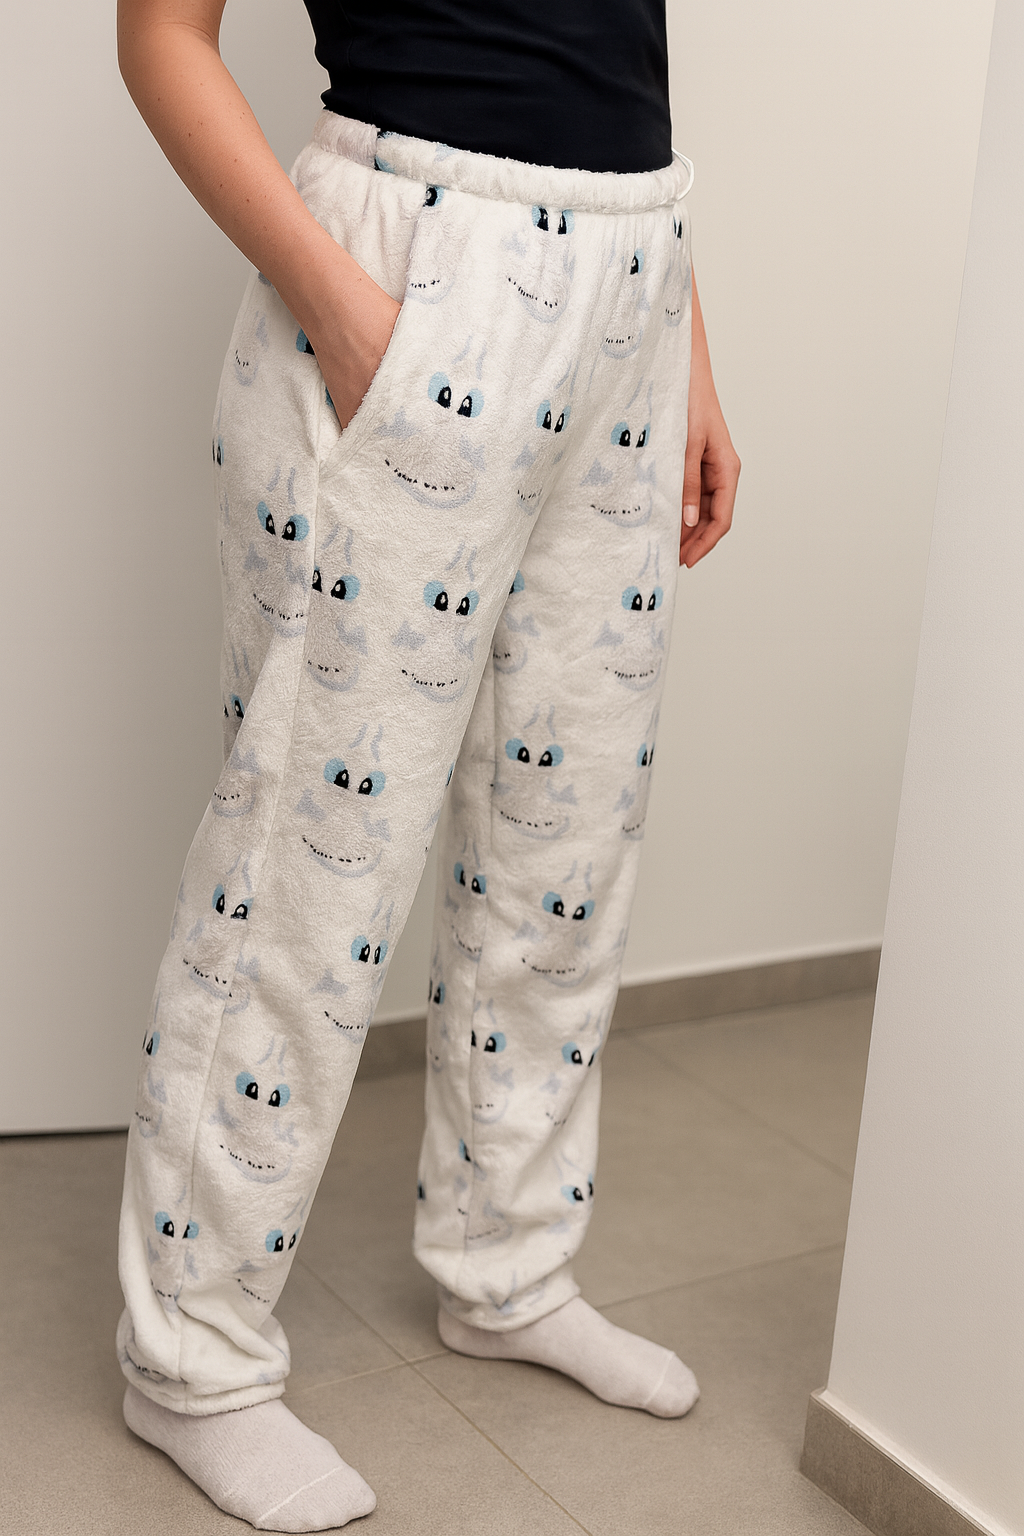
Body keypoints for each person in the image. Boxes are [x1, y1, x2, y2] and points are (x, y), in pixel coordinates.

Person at [115, 0, 741, 1528]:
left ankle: (508, 1263)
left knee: (561, 844)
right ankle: (189, 1356)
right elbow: (158, 36)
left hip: (632, 285)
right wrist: (340, 305)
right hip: (416, 269)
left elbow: (614, 57)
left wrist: (687, 341)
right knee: (301, 873)